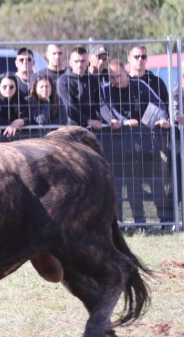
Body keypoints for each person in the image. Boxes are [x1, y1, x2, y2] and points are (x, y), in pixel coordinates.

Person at [101, 59, 173, 225]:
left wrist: (162, 119)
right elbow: (107, 110)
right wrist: (124, 121)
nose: (115, 80)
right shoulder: (106, 90)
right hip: (121, 149)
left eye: (119, 75)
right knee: (130, 187)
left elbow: (158, 104)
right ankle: (136, 223)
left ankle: (166, 222)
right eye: (112, 77)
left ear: (126, 73)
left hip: (146, 144)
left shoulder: (139, 85)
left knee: (156, 185)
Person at [57, 46, 104, 129]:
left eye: (83, 61)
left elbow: (101, 104)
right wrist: (88, 120)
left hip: (92, 129)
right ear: (70, 62)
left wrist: (111, 119)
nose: (79, 64)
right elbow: (69, 107)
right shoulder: (62, 81)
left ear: (87, 62)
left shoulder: (93, 80)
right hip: (71, 129)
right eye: (76, 61)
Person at [0, 73, 31, 140]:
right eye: (4, 87)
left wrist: (18, 122)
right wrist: (13, 124)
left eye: (11, 87)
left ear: (16, 87)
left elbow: (28, 117)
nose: (8, 90)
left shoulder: (19, 97)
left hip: (14, 139)